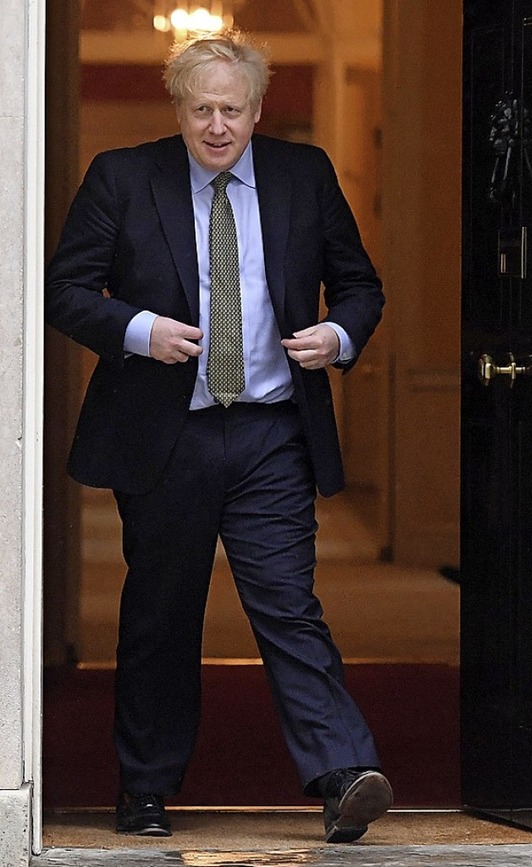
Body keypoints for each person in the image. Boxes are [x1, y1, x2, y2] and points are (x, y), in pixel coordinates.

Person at [45, 30, 391, 843]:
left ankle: (343, 772)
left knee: (287, 602)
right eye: (201, 109)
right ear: (179, 108)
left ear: (258, 109)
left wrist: (336, 337)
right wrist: (138, 330)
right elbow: (65, 290)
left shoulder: (303, 176)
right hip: (168, 435)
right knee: (162, 614)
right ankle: (147, 788)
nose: (216, 126)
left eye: (231, 109)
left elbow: (360, 286)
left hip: (272, 431)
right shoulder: (124, 177)